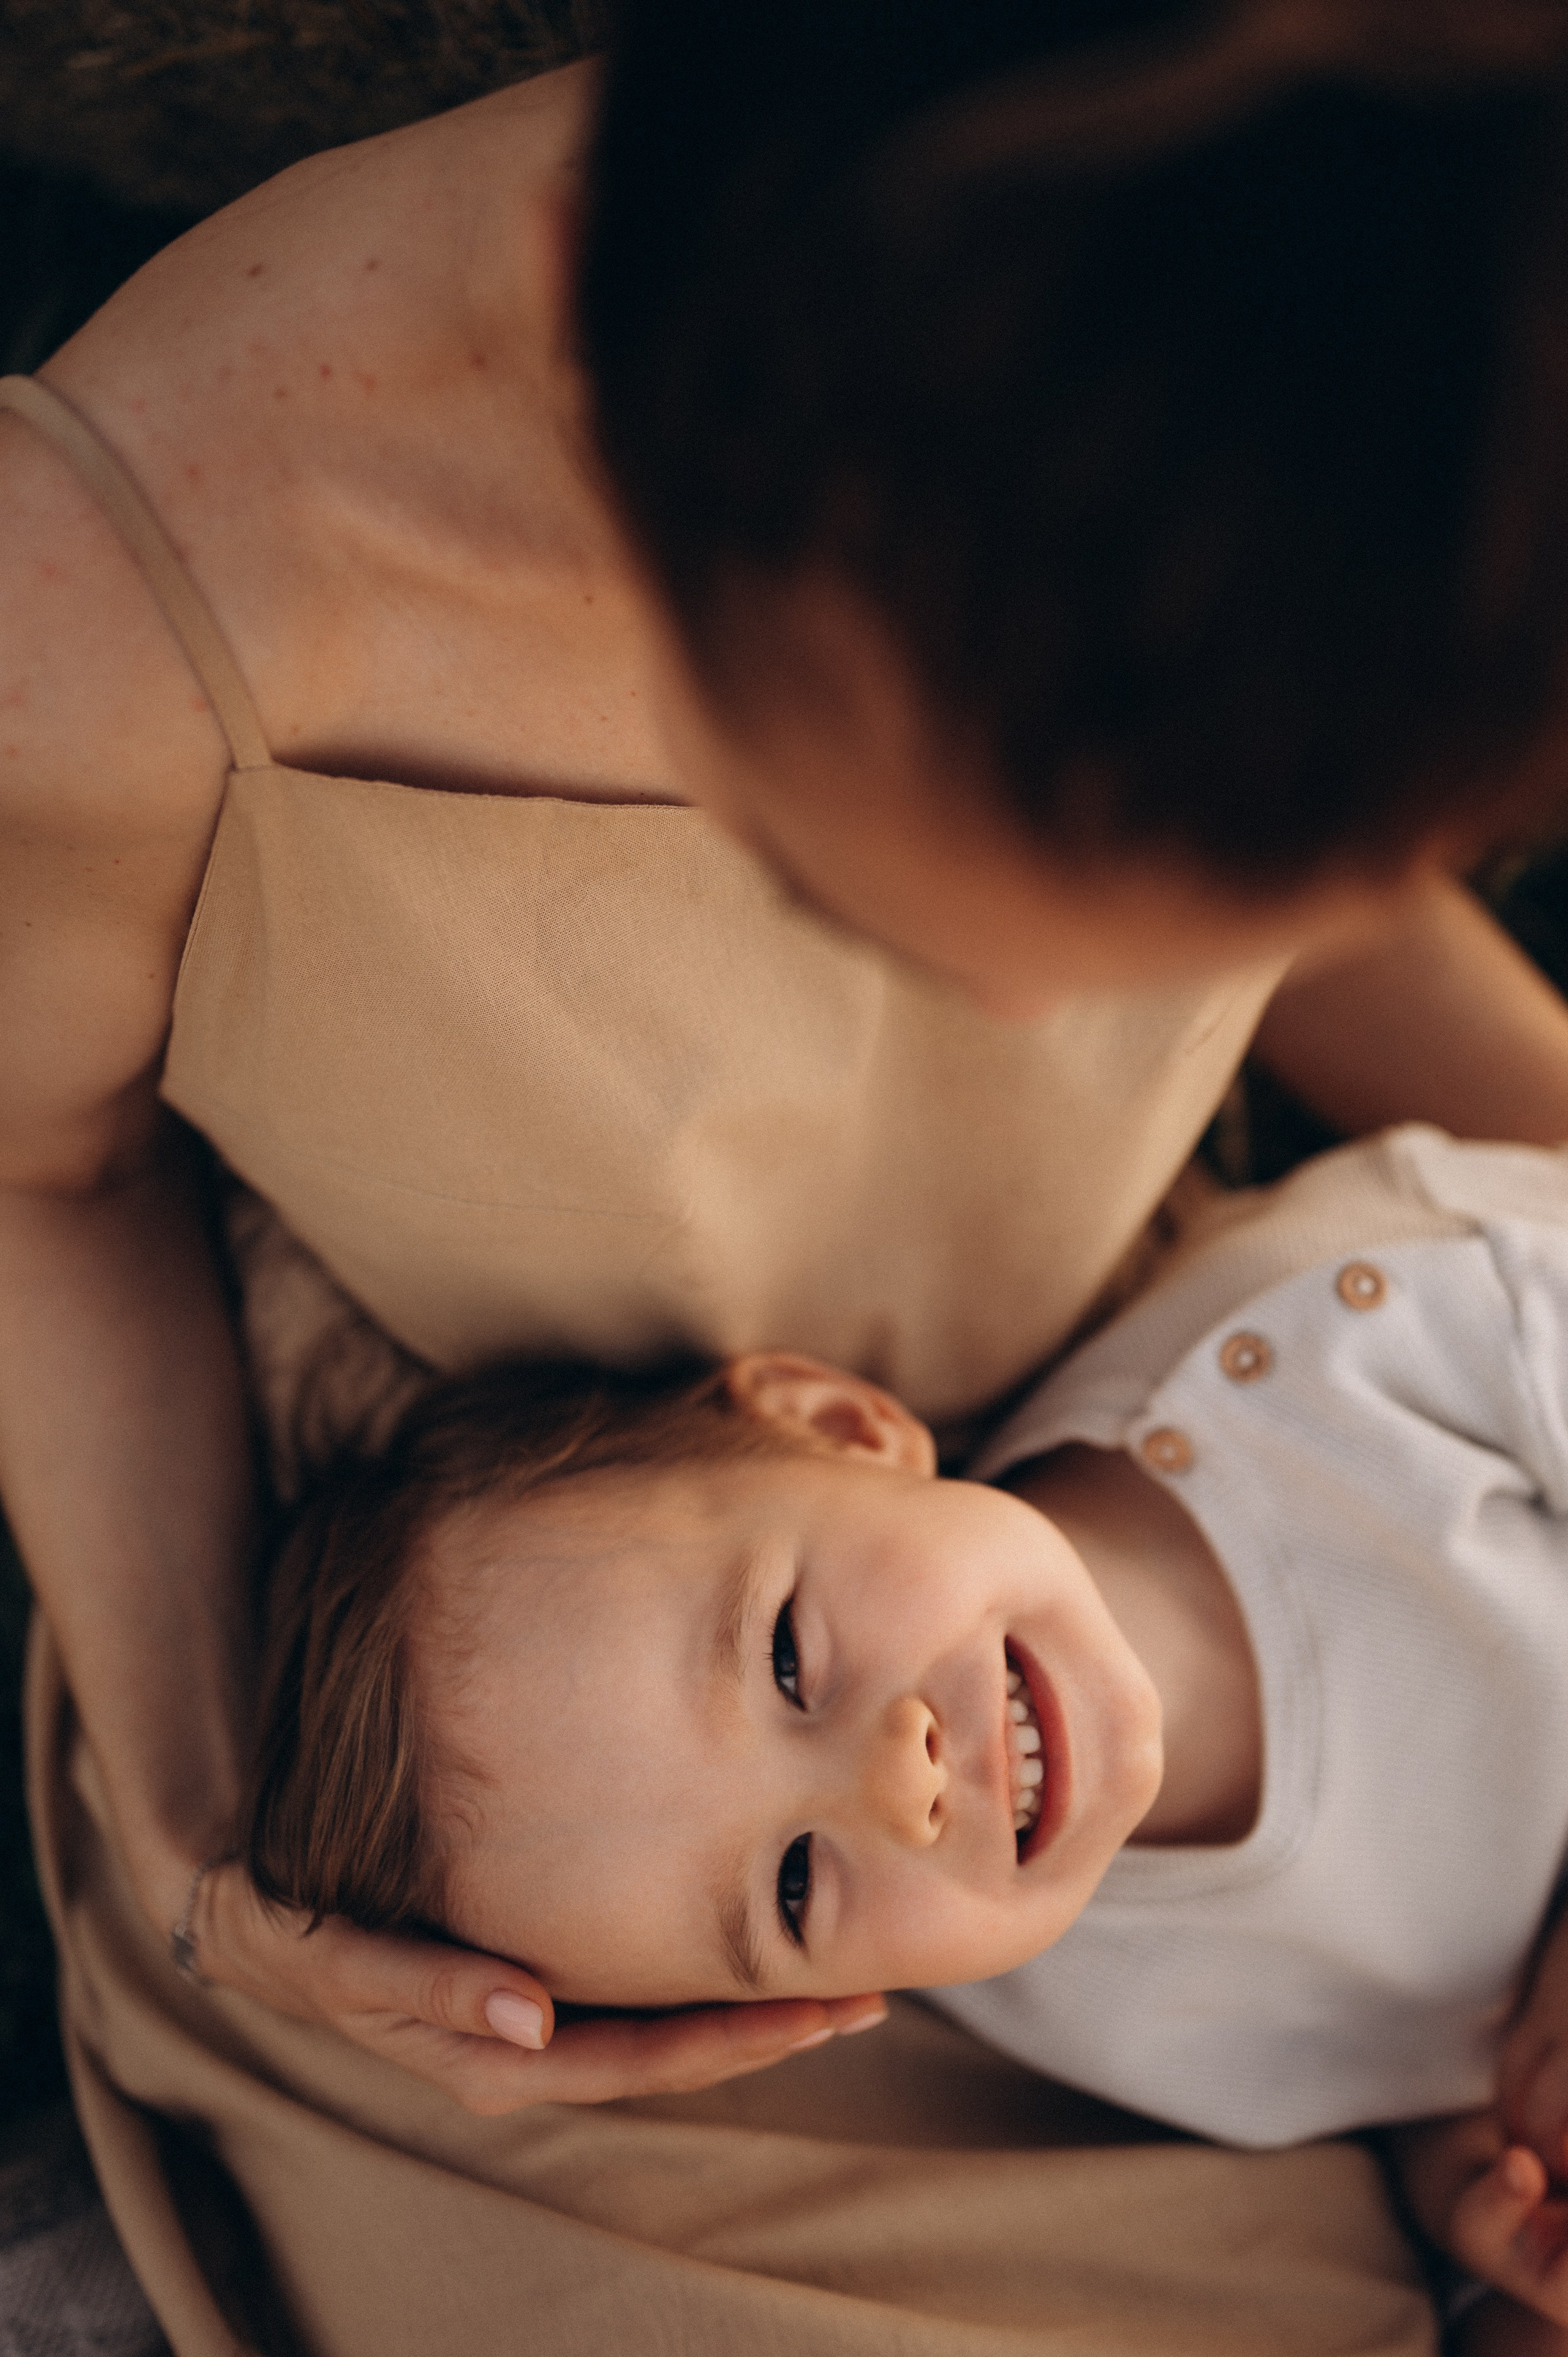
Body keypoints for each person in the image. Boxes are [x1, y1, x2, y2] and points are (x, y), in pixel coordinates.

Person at [4, 1, 1568, 2347]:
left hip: (1129, 1418)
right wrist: (214, 1828)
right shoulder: (92, 629)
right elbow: (36, 1178)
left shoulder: (1300, 296)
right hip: (495, 1649)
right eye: (908, 898)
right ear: (624, 353)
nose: (1039, 1027)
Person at [248, 1120, 1568, 2355]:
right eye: (792, 1882)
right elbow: (1389, 2051)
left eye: (783, 1654)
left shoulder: (1357, 1344)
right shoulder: (1048, 1997)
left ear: (841, 1428)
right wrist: (1472, 2170)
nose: (899, 1782)